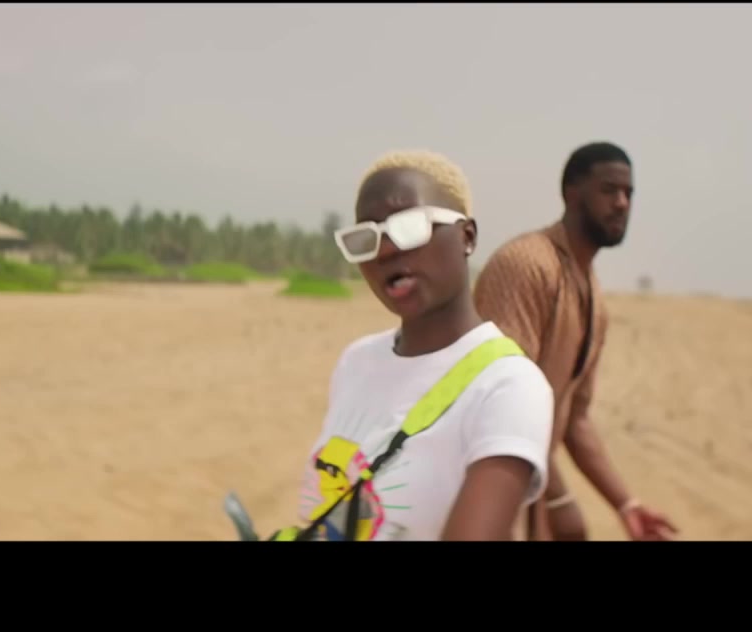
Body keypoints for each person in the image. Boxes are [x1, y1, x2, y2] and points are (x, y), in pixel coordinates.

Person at [272, 149, 555, 541]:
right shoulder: (356, 362)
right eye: (366, 239)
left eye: (410, 227)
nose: (386, 250)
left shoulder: (508, 386)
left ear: (467, 237)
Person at [473, 141, 678, 542]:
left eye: (629, 193)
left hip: (526, 478)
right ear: (571, 193)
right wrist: (558, 498)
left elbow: (574, 419)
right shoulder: (527, 266)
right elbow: (499, 406)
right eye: (608, 190)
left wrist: (626, 505)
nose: (621, 204)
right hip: (482, 486)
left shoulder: (593, 296)